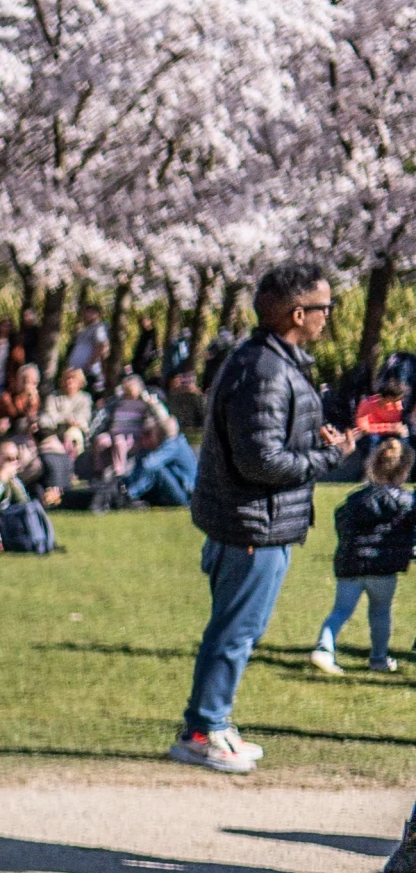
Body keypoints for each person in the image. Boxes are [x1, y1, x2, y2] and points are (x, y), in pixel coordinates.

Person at [176, 262, 350, 775]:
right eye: (325, 308)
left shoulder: (269, 362)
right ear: (299, 313)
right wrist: (327, 460)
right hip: (253, 524)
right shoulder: (265, 369)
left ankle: (208, 724)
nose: (328, 317)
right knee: (236, 632)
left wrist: (314, 440)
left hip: (253, 520)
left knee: (234, 630)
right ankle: (205, 729)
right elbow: (260, 461)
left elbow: (265, 442)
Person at [311, 434, 411, 675]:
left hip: (350, 564)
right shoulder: (407, 501)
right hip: (383, 568)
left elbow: (341, 523)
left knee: (340, 610)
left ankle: (324, 648)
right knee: (380, 611)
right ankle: (378, 658)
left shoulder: (355, 498)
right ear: (404, 470)